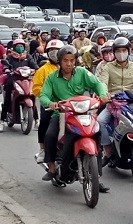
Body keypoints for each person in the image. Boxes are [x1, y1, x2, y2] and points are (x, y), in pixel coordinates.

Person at [39, 45, 109, 191]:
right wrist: (50, 103)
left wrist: (102, 95)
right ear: (59, 61)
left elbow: (97, 84)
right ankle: (52, 168)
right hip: (62, 114)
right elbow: (43, 95)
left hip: (83, 113)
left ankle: (97, 176)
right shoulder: (52, 78)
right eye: (65, 60)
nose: (69, 64)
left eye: (72, 60)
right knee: (50, 135)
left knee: (98, 131)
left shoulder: (82, 73)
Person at [97, 36, 133, 165]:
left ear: (128, 51)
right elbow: (103, 83)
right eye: (118, 51)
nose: (121, 54)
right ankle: (107, 150)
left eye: (124, 50)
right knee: (100, 121)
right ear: (114, 52)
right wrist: (104, 95)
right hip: (113, 103)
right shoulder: (107, 67)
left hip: (131, 102)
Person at [32, 39, 63, 162]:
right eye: (51, 51)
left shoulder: (69, 67)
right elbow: (36, 88)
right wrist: (48, 98)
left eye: (57, 51)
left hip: (68, 104)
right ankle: (43, 149)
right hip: (50, 104)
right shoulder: (43, 70)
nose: (54, 53)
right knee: (44, 121)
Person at [0, 38, 35, 132]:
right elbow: (5, 65)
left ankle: (37, 120)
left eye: (22, 46)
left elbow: (34, 65)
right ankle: (2, 122)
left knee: (32, 97)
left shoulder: (28, 57)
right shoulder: (10, 57)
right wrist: (7, 69)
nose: (20, 48)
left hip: (26, 80)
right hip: (12, 80)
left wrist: (35, 69)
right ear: (14, 47)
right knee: (7, 100)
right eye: (18, 46)